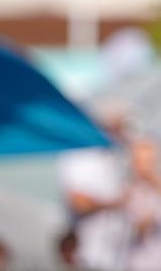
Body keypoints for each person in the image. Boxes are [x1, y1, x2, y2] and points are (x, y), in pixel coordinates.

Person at [57, 101, 131, 270]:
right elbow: (78, 201)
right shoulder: (79, 156)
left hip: (117, 258)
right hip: (90, 257)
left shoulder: (113, 158)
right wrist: (114, 203)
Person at [126, 136, 161, 271]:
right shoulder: (126, 193)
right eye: (140, 162)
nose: (145, 168)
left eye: (149, 162)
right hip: (134, 264)